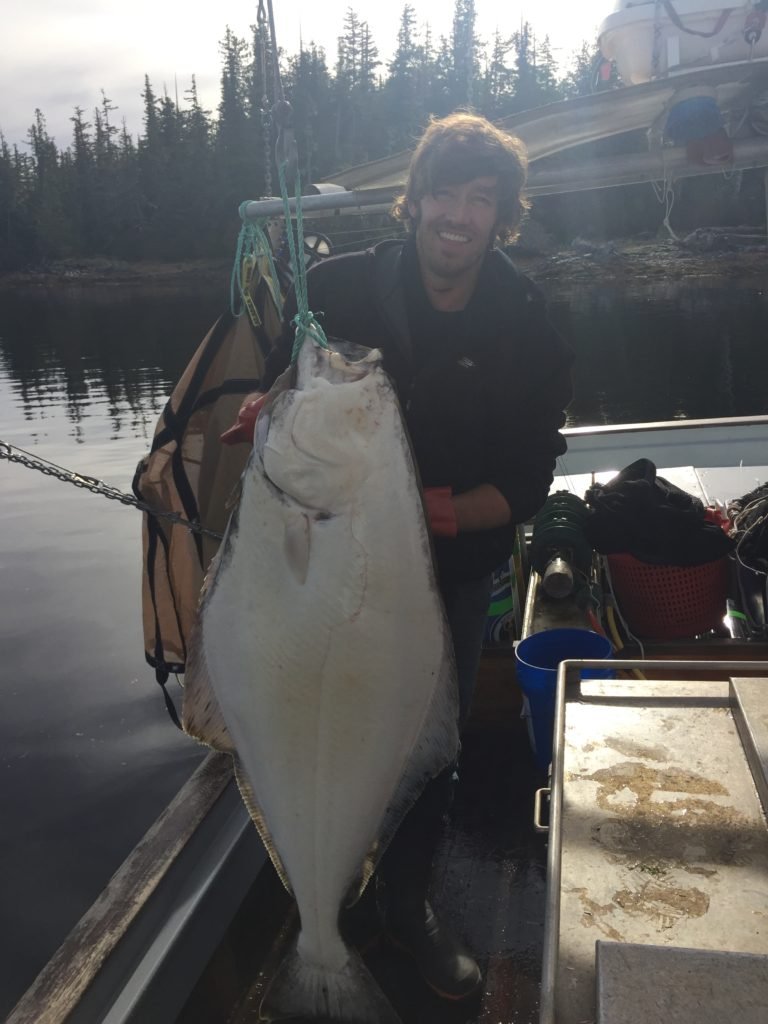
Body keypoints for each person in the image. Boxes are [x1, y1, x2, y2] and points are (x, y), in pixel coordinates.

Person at [222, 111, 573, 1002]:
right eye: (444, 194)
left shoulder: (527, 319)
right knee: (297, 716)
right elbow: (279, 384)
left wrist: (421, 517)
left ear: (503, 218)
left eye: (481, 201)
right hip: (306, 557)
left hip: (445, 575)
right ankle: (326, 910)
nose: (459, 215)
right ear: (412, 203)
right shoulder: (335, 287)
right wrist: (266, 412)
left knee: (430, 738)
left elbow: (529, 478)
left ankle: (405, 909)